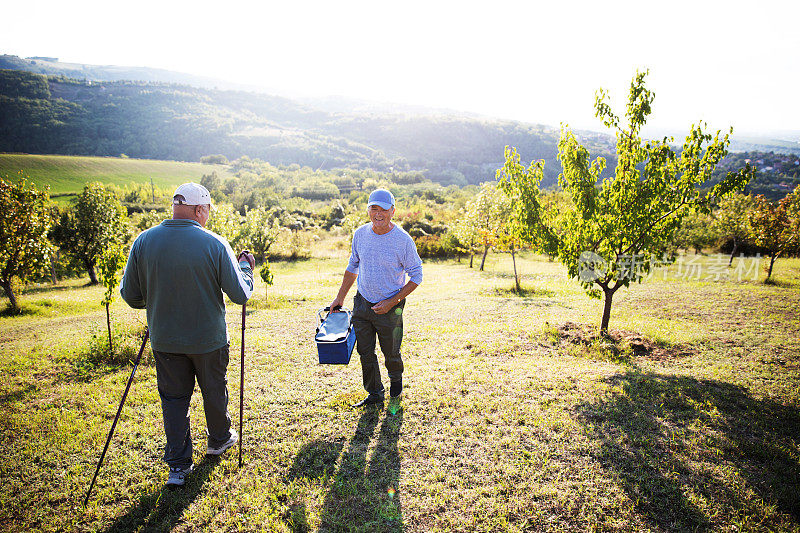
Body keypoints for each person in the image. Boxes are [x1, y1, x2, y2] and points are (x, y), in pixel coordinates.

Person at [120, 182, 255, 487]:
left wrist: (153, 297)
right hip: (208, 340)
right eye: (207, 211)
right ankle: (219, 439)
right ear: (199, 209)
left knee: (174, 400)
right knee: (214, 389)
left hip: (165, 339)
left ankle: (179, 467)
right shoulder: (215, 243)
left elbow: (131, 296)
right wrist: (246, 268)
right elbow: (240, 294)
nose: (207, 217)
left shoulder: (143, 241)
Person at [330, 188, 423, 408]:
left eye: (383, 209)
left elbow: (417, 275)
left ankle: (396, 380)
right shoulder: (360, 234)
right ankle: (374, 393)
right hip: (362, 302)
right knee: (365, 351)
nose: (378, 213)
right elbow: (352, 266)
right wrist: (340, 298)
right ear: (368, 210)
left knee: (390, 351)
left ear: (393, 211)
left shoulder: (402, 240)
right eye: (373, 208)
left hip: (391, 307)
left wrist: (392, 302)